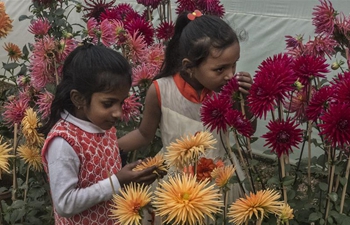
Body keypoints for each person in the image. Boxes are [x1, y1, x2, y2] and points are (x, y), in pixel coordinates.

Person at [118, 10, 256, 198]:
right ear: (189, 67)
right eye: (220, 69)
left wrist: (245, 102)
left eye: (234, 64)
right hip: (176, 185)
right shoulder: (161, 90)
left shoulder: (227, 92)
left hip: (220, 181)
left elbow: (248, 130)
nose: (230, 75)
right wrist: (108, 149)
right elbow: (143, 134)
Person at [40, 44, 160, 225]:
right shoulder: (63, 143)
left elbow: (104, 172)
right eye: (108, 103)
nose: (118, 113)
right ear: (79, 99)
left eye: (121, 102)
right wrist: (116, 182)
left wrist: (132, 177)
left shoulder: (101, 125)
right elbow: (65, 204)